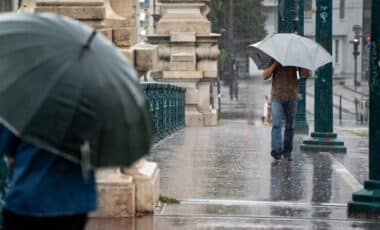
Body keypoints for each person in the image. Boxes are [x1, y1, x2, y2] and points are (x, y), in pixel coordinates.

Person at [0, 124, 97, 230]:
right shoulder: (90, 112)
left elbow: (9, 153)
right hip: (73, 203)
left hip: (26, 199)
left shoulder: (21, 109)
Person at [263, 60, 310, 161]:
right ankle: (276, 150)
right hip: (277, 96)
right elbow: (265, 75)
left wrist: (303, 64)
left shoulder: (295, 58)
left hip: (291, 96)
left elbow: (306, 75)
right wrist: (275, 63)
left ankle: (287, 152)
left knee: (290, 126)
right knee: (276, 123)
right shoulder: (273, 57)